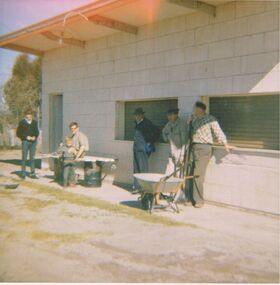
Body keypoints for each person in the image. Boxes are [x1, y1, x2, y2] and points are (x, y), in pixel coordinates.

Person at [188, 101, 234, 208]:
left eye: (195, 109)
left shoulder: (210, 119)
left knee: (198, 174)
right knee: (191, 173)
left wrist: (225, 144)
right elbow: (190, 134)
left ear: (200, 109)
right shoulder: (194, 120)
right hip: (194, 147)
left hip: (204, 148)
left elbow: (218, 131)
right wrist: (189, 123)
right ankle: (191, 198)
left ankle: (199, 200)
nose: (193, 110)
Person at [132, 107, 160, 194]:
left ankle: (144, 188)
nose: (136, 116)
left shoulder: (146, 123)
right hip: (136, 148)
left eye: (138, 115)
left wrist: (150, 143)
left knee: (143, 169)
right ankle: (137, 187)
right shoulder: (138, 123)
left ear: (142, 115)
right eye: (135, 115)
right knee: (136, 168)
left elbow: (157, 132)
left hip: (142, 149)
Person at [162, 108, 187, 177]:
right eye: (168, 115)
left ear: (176, 115)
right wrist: (166, 139)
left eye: (171, 115)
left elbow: (184, 141)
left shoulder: (182, 124)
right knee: (168, 173)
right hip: (171, 152)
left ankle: (179, 188)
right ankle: (169, 187)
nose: (169, 117)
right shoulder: (169, 124)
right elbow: (163, 132)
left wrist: (182, 156)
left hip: (179, 153)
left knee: (179, 174)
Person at [16, 109, 40, 179]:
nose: (29, 116)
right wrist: (26, 137)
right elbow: (18, 133)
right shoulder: (22, 123)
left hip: (33, 142)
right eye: (28, 115)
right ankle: (23, 173)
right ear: (25, 115)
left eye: (30, 115)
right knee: (24, 158)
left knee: (32, 158)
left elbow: (37, 132)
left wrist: (34, 137)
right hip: (25, 142)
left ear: (32, 115)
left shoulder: (34, 122)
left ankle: (32, 173)